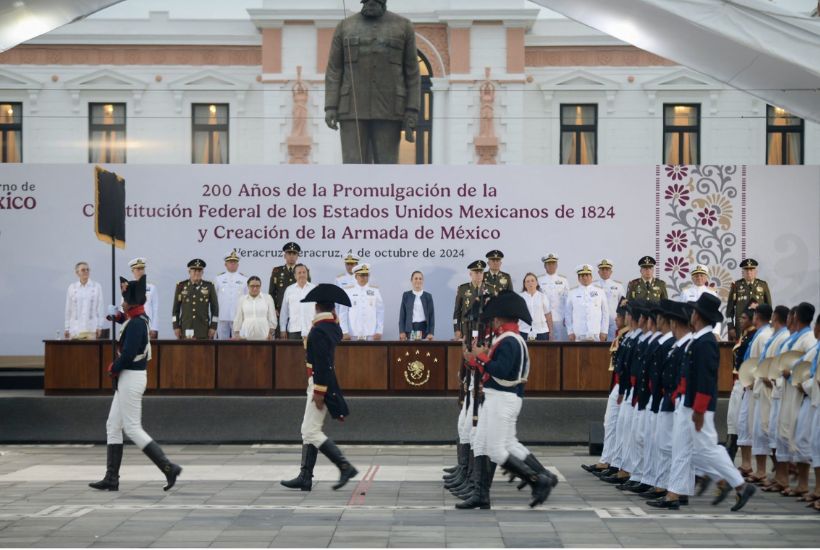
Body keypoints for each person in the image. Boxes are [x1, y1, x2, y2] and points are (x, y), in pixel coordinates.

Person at [459, 291, 555, 509]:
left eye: (494, 318)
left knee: (497, 450)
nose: (492, 322)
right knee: (483, 444)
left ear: (501, 318)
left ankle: (537, 480)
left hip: (502, 399)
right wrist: (477, 359)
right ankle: (481, 495)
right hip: (498, 398)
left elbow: (501, 371)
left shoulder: (510, 341)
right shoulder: (507, 339)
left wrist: (480, 358)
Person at [89, 275, 182, 493]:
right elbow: (129, 321)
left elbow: (129, 353)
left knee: (132, 427)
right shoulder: (138, 318)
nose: (122, 302)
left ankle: (169, 467)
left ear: (131, 302)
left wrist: (114, 367)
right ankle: (111, 478)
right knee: (113, 426)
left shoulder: (138, 323)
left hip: (131, 377)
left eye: (124, 299)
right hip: (128, 378)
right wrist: (118, 317)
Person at [280, 284, 359, 491]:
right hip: (319, 383)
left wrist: (319, 392)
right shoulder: (330, 327)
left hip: (320, 385)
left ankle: (344, 466)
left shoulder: (318, 331)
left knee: (310, 431)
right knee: (308, 430)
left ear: (316, 307)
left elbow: (323, 364)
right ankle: (305, 476)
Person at [324, 0, 420, 164]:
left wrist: (412, 109)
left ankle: (384, 191)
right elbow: (334, 70)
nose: (371, 2)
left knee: (387, 164)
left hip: (389, 109)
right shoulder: (345, 26)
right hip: (351, 109)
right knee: (353, 163)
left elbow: (412, 72)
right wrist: (331, 106)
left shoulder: (403, 26)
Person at [685, 293, 757, 511]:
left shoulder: (706, 342)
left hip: (702, 405)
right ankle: (723, 481)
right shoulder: (700, 339)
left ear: (697, 315)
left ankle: (741, 485)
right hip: (696, 403)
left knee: (708, 449)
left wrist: (698, 409)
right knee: (697, 449)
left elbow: (706, 379)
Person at [647, 300, 694, 509]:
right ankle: (675, 488)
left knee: (676, 447)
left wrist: (675, 395)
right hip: (670, 399)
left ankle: (675, 490)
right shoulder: (677, 345)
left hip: (678, 400)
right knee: (667, 445)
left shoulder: (689, 345)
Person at [745, 304, 774, 484]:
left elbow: (764, 362)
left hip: (762, 385)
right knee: (755, 427)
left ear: (757, 316)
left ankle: (764, 470)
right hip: (755, 385)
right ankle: (760, 469)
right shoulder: (760, 334)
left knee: (762, 427)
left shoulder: (764, 336)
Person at [726, 258, 772, 341]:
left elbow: (769, 307)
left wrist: (769, 325)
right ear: (743, 272)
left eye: (751, 270)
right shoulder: (736, 285)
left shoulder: (763, 285)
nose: (749, 272)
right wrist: (730, 327)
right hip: (741, 327)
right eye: (746, 270)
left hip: (759, 326)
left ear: (756, 272)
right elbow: (729, 310)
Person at [171, 259, 219, 340]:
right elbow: (175, 310)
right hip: (185, 327)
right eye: (194, 270)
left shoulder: (209, 286)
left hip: (203, 329)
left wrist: (213, 327)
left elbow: (215, 309)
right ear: (189, 272)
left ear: (202, 272)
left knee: (204, 352)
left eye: (200, 270)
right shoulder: (181, 286)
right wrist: (176, 326)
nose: (197, 273)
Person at [339, 263, 384, 340]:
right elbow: (343, 312)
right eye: (362, 275)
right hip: (352, 334)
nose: (365, 277)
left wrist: (379, 331)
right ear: (356, 276)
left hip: (371, 333)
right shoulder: (348, 291)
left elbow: (380, 312)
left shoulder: (375, 290)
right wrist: (344, 331)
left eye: (366, 275)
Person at [565, 264, 609, 343]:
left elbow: (605, 313)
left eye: (587, 275)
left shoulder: (600, 291)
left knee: (596, 354)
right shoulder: (572, 292)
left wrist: (604, 331)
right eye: (582, 276)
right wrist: (570, 331)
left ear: (591, 277)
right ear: (579, 278)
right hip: (578, 333)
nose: (585, 278)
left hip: (596, 333)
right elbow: (568, 314)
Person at [678, 264, 722, 337]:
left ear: (706, 278)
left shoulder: (712, 293)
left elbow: (716, 313)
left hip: (708, 330)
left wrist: (716, 333)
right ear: (692, 278)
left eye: (701, 275)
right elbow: (680, 312)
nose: (699, 278)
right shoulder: (685, 292)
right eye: (696, 276)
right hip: (690, 330)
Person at [64, 261, 104, 340]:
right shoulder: (72, 287)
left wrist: (99, 326)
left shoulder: (96, 287)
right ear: (77, 273)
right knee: (75, 351)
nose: (86, 271)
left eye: (87, 269)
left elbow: (100, 308)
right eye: (83, 270)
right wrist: (66, 327)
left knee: (90, 351)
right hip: (75, 328)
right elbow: (68, 309)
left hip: (91, 327)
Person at [453, 260, 490, 341]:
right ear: (470, 274)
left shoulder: (490, 289)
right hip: (466, 330)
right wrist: (457, 329)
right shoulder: (463, 289)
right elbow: (457, 312)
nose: (479, 275)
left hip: (484, 330)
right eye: (476, 273)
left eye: (481, 272)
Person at [215, 251, 248, 339]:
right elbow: (214, 298)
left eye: (235, 262)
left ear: (238, 264)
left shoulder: (244, 279)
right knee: (222, 342)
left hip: (238, 316)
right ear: (225, 264)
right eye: (230, 262)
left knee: (237, 343)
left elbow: (247, 298)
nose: (232, 264)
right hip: (222, 315)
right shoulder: (218, 279)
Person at [232, 276, 278, 340]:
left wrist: (270, 333)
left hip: (264, 336)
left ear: (260, 286)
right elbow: (238, 318)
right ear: (248, 286)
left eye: (257, 286)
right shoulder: (242, 299)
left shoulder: (268, 298)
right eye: (252, 286)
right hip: (245, 336)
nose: (255, 288)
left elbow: (272, 317)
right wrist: (237, 334)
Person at [537, 253, 570, 342]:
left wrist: (567, 317)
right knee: (545, 345)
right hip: (544, 319)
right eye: (549, 264)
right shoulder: (539, 280)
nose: (551, 266)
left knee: (561, 344)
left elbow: (568, 301)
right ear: (545, 266)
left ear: (556, 265)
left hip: (560, 318)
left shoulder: (564, 280)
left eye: (553, 263)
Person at [279, 264, 317, 340]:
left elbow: (319, 311)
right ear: (295, 276)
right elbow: (284, 311)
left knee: (313, 352)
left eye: (304, 272)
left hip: (311, 330)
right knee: (293, 352)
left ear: (307, 274)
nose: (302, 275)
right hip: (294, 331)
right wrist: (283, 329)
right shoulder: (289, 290)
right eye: (299, 273)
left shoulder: (315, 289)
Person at [269, 242, 303, 323]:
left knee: (296, 335)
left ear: (297, 256)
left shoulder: (303, 271)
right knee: (280, 334)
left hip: (298, 310)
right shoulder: (277, 271)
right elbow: (272, 292)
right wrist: (273, 309)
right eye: (289, 253)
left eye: (294, 254)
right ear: (285, 256)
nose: (291, 256)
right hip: (280, 310)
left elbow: (306, 291)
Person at [127, 258, 159, 338]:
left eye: (142, 269)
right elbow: (124, 309)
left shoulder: (151, 288)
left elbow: (155, 310)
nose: (141, 271)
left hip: (148, 327)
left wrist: (154, 328)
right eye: (138, 269)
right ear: (132, 271)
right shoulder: (127, 288)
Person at [398, 271, 435, 340]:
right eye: (416, 278)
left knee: (424, 350)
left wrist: (431, 332)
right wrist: (402, 331)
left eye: (420, 279)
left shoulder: (428, 296)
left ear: (423, 281)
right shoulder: (406, 295)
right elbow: (402, 315)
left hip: (424, 330)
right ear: (411, 280)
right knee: (411, 349)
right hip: (410, 329)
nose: (418, 280)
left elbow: (431, 316)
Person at [595, 259, 625, 340]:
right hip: (598, 321)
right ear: (598, 272)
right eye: (602, 269)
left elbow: (623, 305)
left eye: (607, 269)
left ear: (611, 272)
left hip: (613, 321)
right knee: (597, 345)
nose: (605, 271)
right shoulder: (593, 286)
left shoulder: (618, 286)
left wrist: (621, 320)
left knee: (612, 344)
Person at [518, 273, 552, 341]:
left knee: (542, 351)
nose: (530, 283)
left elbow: (548, 314)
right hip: (524, 331)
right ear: (524, 284)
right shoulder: (520, 297)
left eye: (532, 280)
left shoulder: (543, 297)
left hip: (541, 331)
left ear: (536, 283)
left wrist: (551, 331)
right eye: (527, 281)